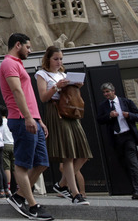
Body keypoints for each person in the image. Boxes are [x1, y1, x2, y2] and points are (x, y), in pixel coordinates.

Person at [0, 33, 52, 220]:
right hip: (21, 119)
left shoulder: (18, 64)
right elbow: (16, 91)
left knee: (42, 163)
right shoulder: (9, 64)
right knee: (22, 164)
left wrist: (38, 119)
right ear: (18, 45)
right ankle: (32, 205)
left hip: (31, 119)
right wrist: (29, 118)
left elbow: (28, 96)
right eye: (28, 47)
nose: (30, 50)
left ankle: (19, 196)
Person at [35, 46, 92, 205]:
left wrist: (75, 86)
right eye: (56, 59)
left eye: (61, 59)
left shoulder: (64, 73)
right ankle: (75, 194)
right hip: (56, 111)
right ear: (48, 59)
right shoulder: (42, 74)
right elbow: (43, 98)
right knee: (68, 154)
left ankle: (61, 184)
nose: (59, 62)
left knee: (83, 153)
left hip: (71, 113)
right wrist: (57, 86)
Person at [96, 82, 138, 200]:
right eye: (104, 92)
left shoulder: (126, 102)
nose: (106, 94)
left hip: (128, 136)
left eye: (107, 91)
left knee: (133, 163)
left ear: (113, 91)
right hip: (116, 138)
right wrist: (109, 116)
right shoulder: (103, 105)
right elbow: (99, 119)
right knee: (124, 164)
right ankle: (133, 188)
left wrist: (129, 115)